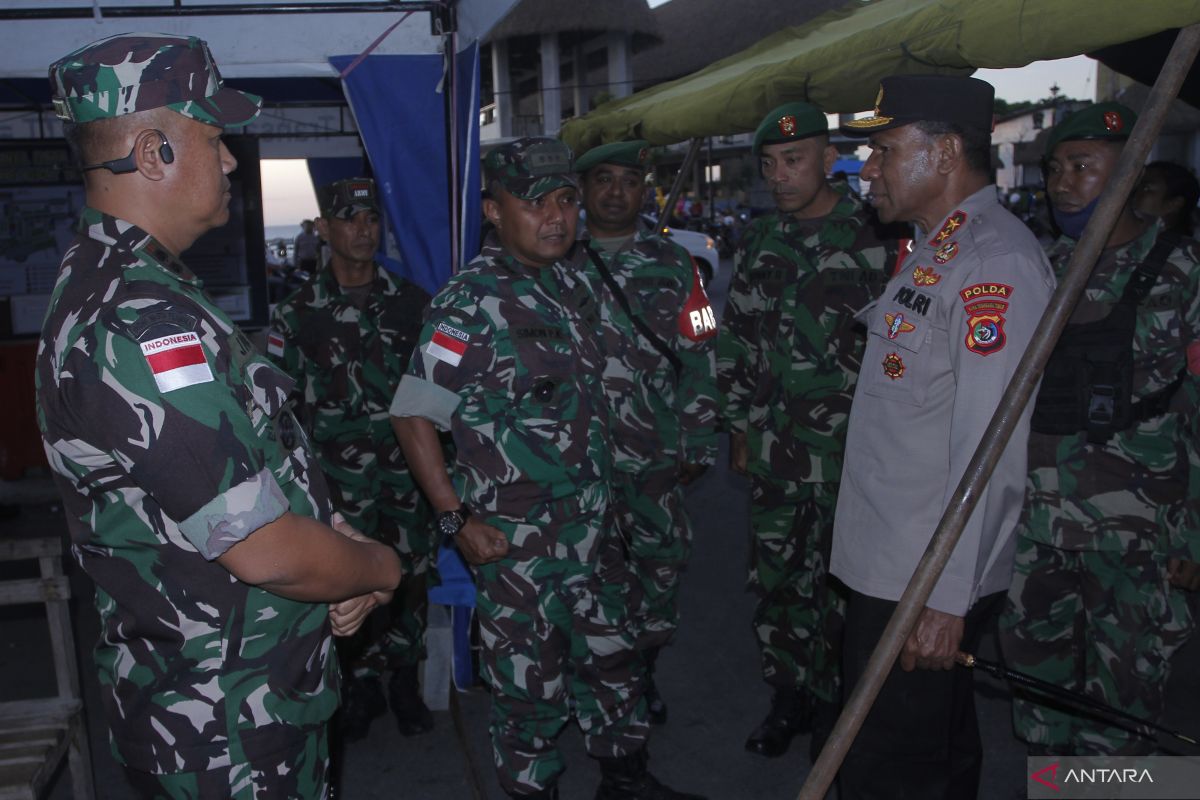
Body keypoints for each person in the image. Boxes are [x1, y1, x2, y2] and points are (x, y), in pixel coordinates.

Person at [36, 33, 402, 797]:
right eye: (214, 138)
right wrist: (378, 567)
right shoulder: (140, 318)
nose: (232, 160)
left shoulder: (128, 285)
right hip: (221, 726)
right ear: (152, 154)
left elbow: (240, 486)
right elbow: (263, 548)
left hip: (234, 703)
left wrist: (328, 552)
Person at [389, 137, 702, 800]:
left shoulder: (573, 282)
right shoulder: (467, 303)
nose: (556, 215)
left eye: (564, 199)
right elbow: (413, 415)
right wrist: (456, 519)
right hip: (518, 544)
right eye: (534, 202)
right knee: (530, 690)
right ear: (493, 211)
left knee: (616, 666)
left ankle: (626, 781)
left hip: (596, 525)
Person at [830, 75, 1055, 799]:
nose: (869, 170)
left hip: (921, 575)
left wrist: (946, 598)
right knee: (936, 753)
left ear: (947, 152)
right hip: (896, 559)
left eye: (885, 150)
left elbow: (992, 447)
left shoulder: (994, 264)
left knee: (890, 768)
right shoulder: (938, 248)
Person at [1001, 103, 1200, 756]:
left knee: (1125, 708)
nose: (1063, 182)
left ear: (1134, 167)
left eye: (1083, 166)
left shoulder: (1185, 272)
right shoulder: (1037, 269)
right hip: (1037, 525)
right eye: (1056, 167)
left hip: (1137, 531)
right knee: (1038, 698)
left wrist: (1194, 532)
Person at [718, 101, 903, 759]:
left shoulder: (882, 237)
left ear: (831, 159)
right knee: (777, 582)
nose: (780, 175)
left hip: (853, 452)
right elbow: (735, 339)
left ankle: (837, 706)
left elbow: (906, 353)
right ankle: (788, 693)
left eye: (793, 160)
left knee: (844, 587)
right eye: (768, 164)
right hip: (776, 451)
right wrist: (738, 427)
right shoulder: (764, 241)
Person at [267, 178, 435, 742]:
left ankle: (405, 681)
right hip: (340, 486)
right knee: (348, 584)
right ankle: (359, 684)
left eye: (370, 218)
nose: (363, 230)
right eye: (349, 219)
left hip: (408, 478)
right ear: (325, 228)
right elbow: (279, 409)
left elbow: (438, 394)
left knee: (411, 579)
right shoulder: (296, 314)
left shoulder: (414, 304)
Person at [575, 139, 720, 725]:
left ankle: (642, 673)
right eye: (602, 179)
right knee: (583, 571)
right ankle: (589, 682)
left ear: (646, 191)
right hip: (572, 460)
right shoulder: (555, 262)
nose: (615, 192)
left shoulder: (677, 264)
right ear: (583, 190)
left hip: (655, 454)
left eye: (628, 181)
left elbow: (702, 351)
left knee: (656, 569)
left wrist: (700, 437)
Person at [1135, 160, 1200, 238]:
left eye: (1146, 188)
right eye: (1135, 186)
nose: (1133, 193)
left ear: (1174, 204)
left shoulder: (1180, 248)